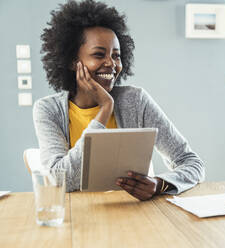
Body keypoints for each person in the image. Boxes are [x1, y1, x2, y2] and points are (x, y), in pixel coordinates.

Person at [34, 0, 205, 201]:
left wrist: (160, 184)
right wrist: (105, 109)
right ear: (73, 62)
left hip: (134, 214)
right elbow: (57, 180)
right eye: (99, 54)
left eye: (116, 56)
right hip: (78, 216)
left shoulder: (136, 100)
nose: (111, 64)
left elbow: (192, 162)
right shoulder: (48, 109)